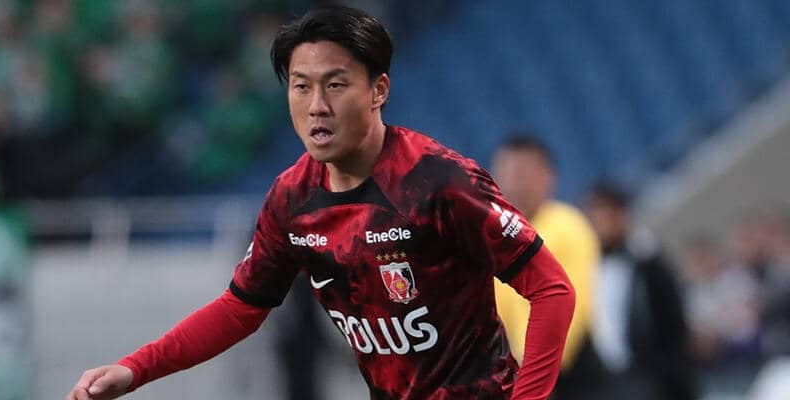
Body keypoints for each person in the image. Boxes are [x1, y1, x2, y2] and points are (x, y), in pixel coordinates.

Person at [65, 6, 575, 400]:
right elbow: (241, 308)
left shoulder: (438, 181)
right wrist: (134, 369)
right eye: (301, 87)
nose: (317, 107)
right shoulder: (293, 198)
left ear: (378, 90)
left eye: (335, 85)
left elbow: (552, 289)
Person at [577, 183, 698, 400]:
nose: (601, 222)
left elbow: (673, 326)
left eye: (608, 214)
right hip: (599, 380)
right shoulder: (581, 266)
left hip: (648, 378)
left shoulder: (650, 265)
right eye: (595, 214)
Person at [490, 135, 599, 373]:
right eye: (505, 175)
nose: (513, 186)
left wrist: (532, 371)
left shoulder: (566, 226)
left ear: (547, 176)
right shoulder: (496, 238)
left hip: (572, 370)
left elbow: (568, 308)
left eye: (522, 175)